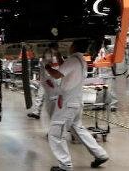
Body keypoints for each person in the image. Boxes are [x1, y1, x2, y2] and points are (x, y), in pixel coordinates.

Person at [44, 39, 109, 171]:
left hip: (68, 104)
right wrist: (57, 53)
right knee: (78, 129)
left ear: (73, 46)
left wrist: (47, 67)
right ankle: (100, 154)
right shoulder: (80, 60)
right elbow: (64, 67)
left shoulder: (73, 60)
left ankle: (65, 165)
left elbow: (57, 74)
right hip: (76, 102)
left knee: (56, 133)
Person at [29, 45, 61, 120]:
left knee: (54, 98)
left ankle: (57, 114)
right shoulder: (44, 59)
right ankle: (36, 112)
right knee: (40, 96)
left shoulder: (56, 58)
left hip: (53, 81)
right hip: (46, 81)